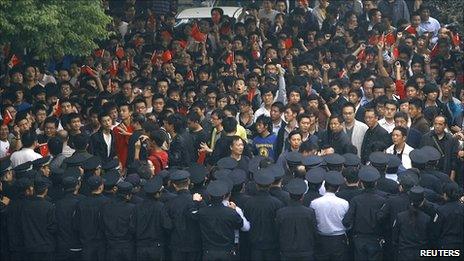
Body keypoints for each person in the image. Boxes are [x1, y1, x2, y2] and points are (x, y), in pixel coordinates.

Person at [191, 180, 244, 260]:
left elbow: (192, 214)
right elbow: (240, 224)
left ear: (209, 197)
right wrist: (234, 210)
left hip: (209, 252)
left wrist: (196, 202)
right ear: (223, 197)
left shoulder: (203, 212)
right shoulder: (230, 212)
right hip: (227, 252)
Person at [343, 166, 387, 261]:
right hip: (376, 238)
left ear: (361, 183)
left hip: (359, 239)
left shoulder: (356, 200)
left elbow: (346, 221)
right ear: (375, 183)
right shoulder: (382, 200)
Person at [243, 169, 284, 260]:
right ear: (270, 185)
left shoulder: (249, 203)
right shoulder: (277, 203)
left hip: (254, 245)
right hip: (272, 245)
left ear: (257, 185)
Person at [310, 170, 349, 260]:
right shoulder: (344, 203)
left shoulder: (315, 203)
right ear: (338, 188)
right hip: (339, 239)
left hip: (321, 238)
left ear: (324, 186)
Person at [276, 178, 317, 260]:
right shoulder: (309, 212)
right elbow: (314, 231)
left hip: (287, 251)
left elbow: (277, 231)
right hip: (306, 250)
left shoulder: (281, 213)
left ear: (289, 195)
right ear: (302, 196)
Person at [165, 170, 202, 260]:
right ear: (188, 182)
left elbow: (167, 225)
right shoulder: (198, 200)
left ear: (174, 185)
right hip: (194, 244)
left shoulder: (169, 203)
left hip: (177, 244)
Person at [20, 176, 57, 261]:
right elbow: (53, 228)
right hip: (46, 246)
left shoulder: (25, 206)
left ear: (34, 190)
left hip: (30, 246)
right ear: (46, 190)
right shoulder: (49, 206)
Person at [74, 176, 109, 261]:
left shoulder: (81, 203)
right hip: (102, 244)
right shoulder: (107, 202)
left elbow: (76, 225)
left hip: (86, 244)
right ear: (101, 187)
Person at [392, 186, 432, 261]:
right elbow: (430, 239)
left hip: (404, 254)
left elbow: (395, 238)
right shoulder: (427, 218)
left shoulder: (400, 216)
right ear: (423, 200)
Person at [101, 182, 136, 261]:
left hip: (111, 246)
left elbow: (102, 225)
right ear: (127, 195)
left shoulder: (106, 207)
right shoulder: (132, 208)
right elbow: (134, 228)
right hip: (128, 246)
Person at [420, 115, 459, 180]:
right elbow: (421, 156)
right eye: (435, 124)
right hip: (429, 172)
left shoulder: (451, 139)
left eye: (440, 124)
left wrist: (452, 176)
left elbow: (453, 159)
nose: (437, 126)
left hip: (445, 172)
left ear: (445, 126)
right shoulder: (425, 138)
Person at [55, 175, 84, 261]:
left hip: (62, 246)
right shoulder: (83, 201)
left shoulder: (57, 204)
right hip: (78, 244)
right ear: (77, 186)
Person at [433, 182, 464, 254]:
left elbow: (436, 230)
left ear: (445, 194)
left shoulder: (441, 210)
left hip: (446, 245)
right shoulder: (462, 208)